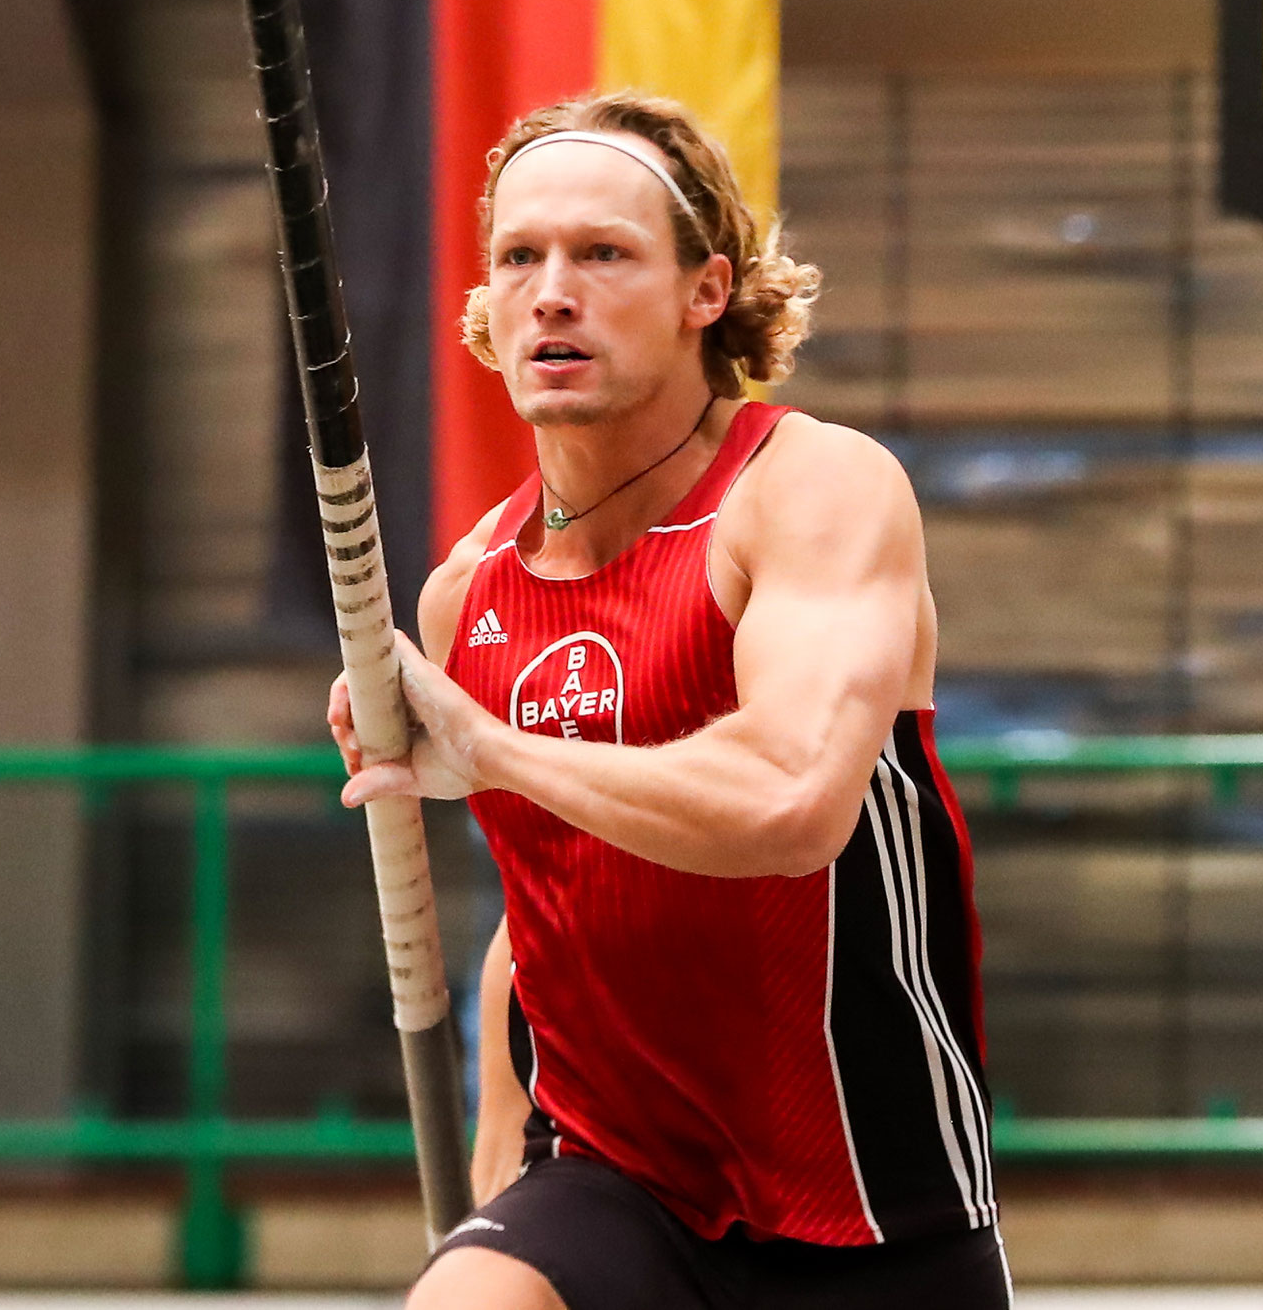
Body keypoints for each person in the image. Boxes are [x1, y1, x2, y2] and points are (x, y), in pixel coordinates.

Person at [326, 91, 1007, 1310]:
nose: (551, 291)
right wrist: (490, 1205)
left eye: (602, 254)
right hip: (611, 1184)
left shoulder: (808, 491)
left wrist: (491, 745)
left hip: (866, 1201)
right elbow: (537, 919)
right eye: (518, 257)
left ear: (706, 290)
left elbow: (790, 802)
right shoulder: (465, 593)